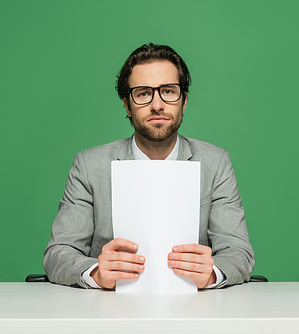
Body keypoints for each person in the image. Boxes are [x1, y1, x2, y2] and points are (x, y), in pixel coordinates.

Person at [43, 43, 254, 289]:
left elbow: (239, 252)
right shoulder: (89, 165)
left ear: (183, 100)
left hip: (193, 312)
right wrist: (96, 273)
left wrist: (212, 274)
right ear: (127, 105)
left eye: (168, 91)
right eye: (143, 93)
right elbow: (58, 253)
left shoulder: (215, 163)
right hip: (108, 312)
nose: (157, 105)